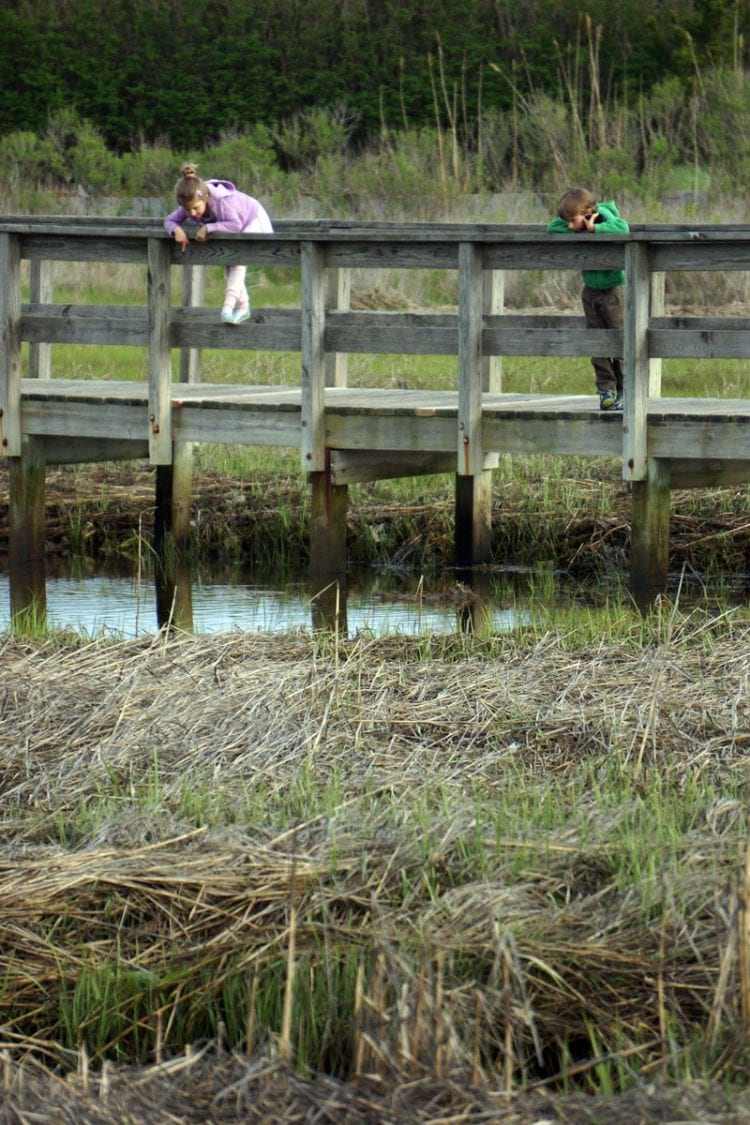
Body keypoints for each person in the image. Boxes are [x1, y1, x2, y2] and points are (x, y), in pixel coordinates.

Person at [547, 187, 629, 411]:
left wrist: (595, 225)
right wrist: (577, 223)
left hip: (614, 291)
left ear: (589, 212)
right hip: (590, 292)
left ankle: (626, 390)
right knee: (597, 343)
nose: (571, 227)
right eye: (569, 223)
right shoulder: (573, 226)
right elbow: (552, 227)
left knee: (619, 340)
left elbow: (623, 228)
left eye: (573, 221)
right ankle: (606, 390)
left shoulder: (607, 219)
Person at [164, 163, 273, 325]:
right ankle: (243, 307)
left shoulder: (222, 202)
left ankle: (228, 307)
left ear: (205, 197)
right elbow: (169, 220)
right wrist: (176, 230)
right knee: (229, 262)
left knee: (236, 261)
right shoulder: (190, 202)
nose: (192, 214)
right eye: (187, 211)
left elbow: (235, 224)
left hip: (253, 219)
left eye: (195, 208)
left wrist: (208, 227)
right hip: (236, 225)